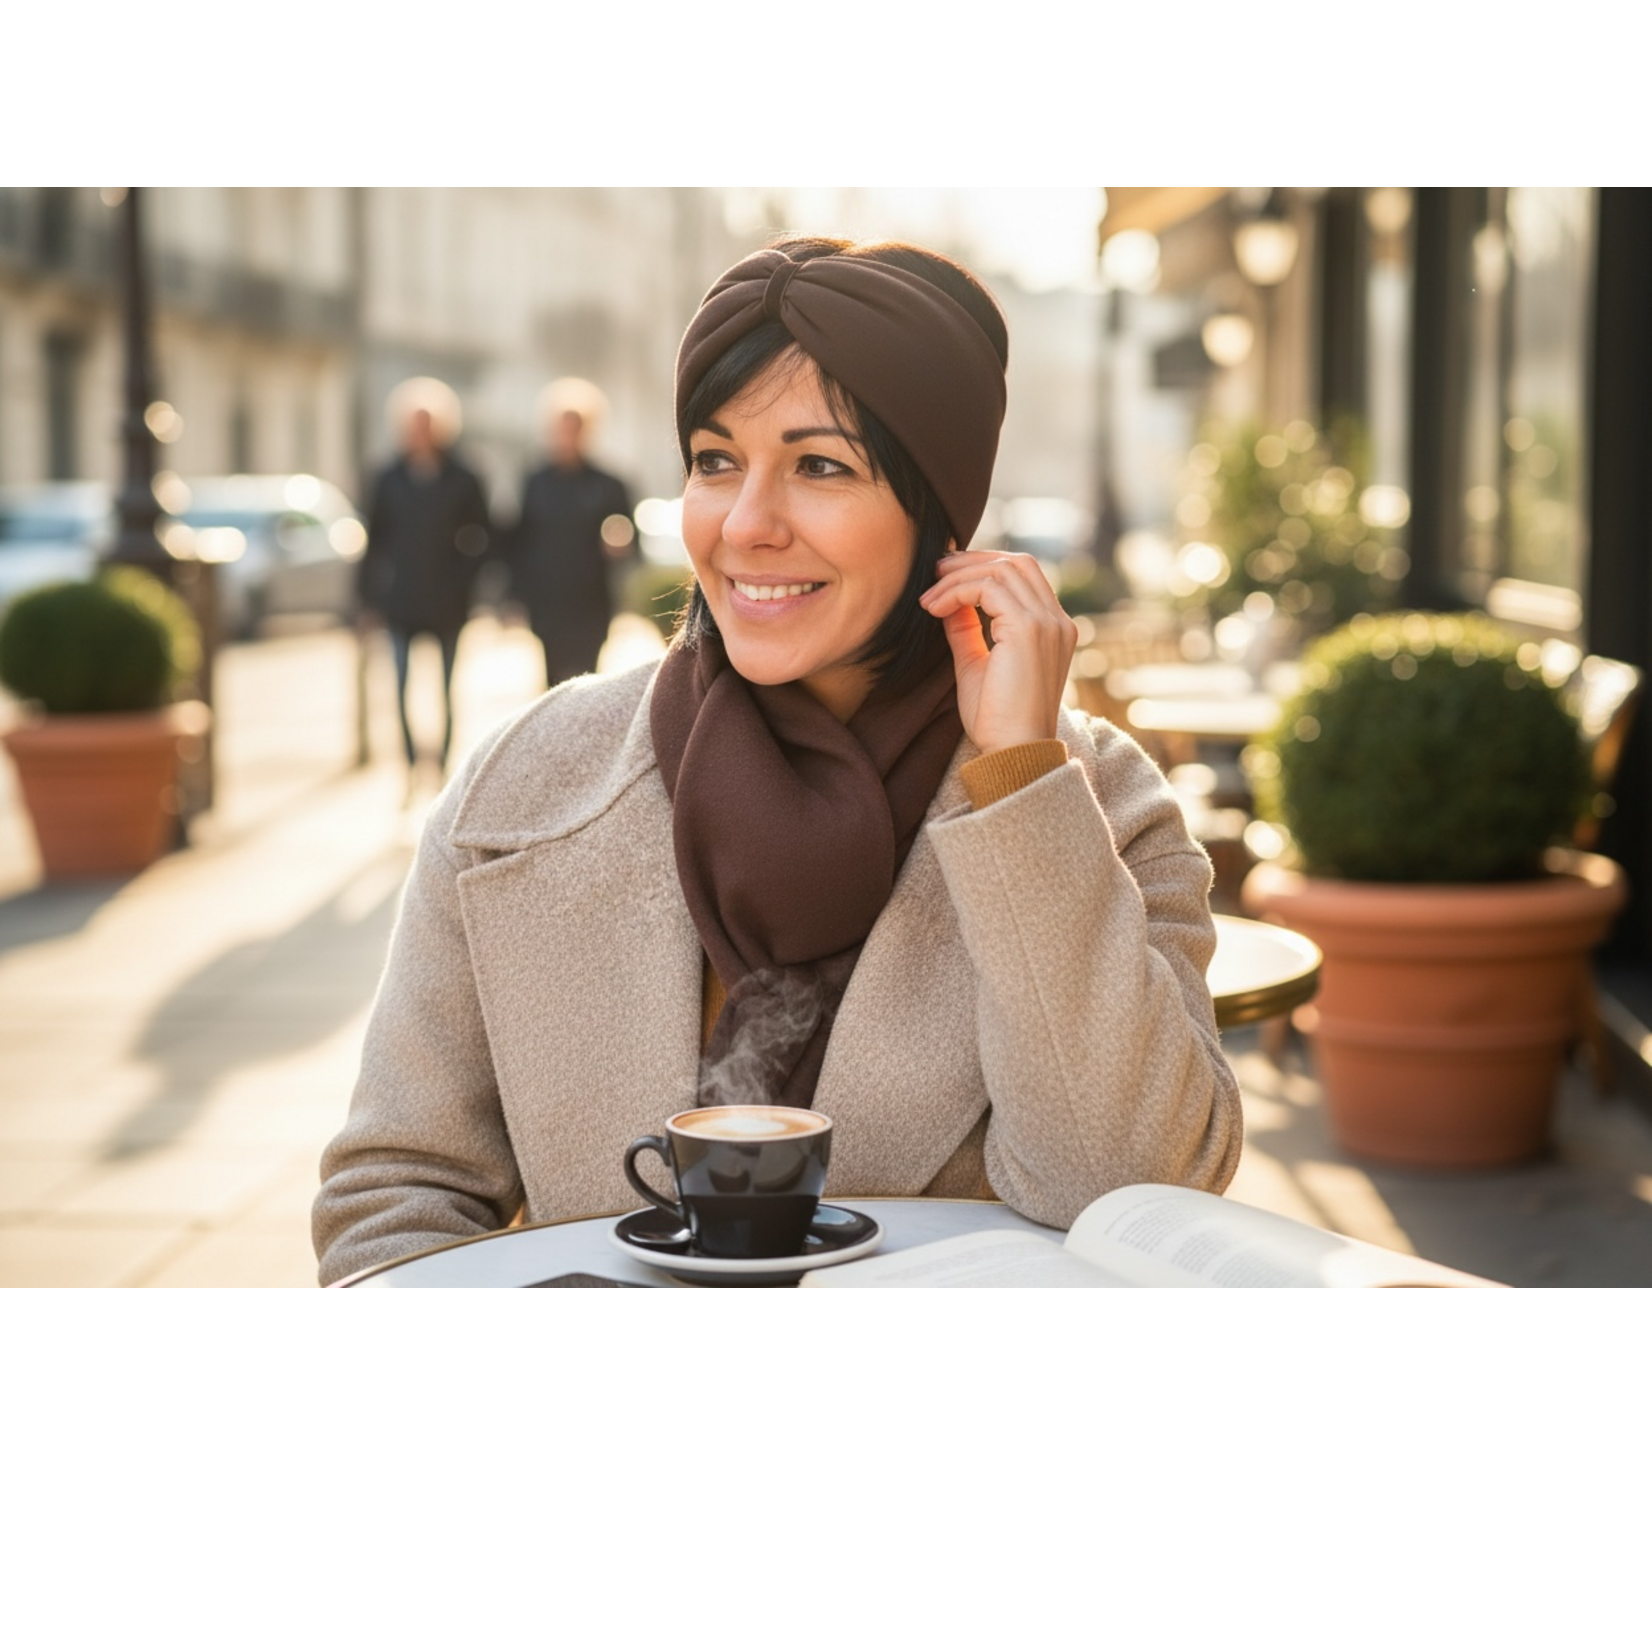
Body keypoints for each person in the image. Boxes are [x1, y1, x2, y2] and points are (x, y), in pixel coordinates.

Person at [314, 239, 1242, 1284]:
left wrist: (1021, 781)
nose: (746, 525)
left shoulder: (1098, 803)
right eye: (715, 460)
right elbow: (395, 1199)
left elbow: (1129, 1195)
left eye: (820, 466)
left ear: (936, 508)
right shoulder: (521, 786)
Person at [357, 378, 491, 787]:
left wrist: (464, 581)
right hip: (401, 601)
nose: (421, 432)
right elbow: (374, 541)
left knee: (447, 689)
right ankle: (411, 763)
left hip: (448, 602)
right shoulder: (388, 478)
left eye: (428, 423)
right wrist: (367, 599)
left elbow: (482, 537)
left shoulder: (464, 477)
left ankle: (444, 764)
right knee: (399, 688)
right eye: (414, 423)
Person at [508, 379, 637, 688]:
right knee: (551, 682)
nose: (568, 436)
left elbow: (629, 537)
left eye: (576, 428)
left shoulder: (609, 484)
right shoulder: (535, 481)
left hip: (590, 600)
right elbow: (519, 539)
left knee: (588, 682)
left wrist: (620, 543)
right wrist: (514, 594)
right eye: (562, 428)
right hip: (547, 599)